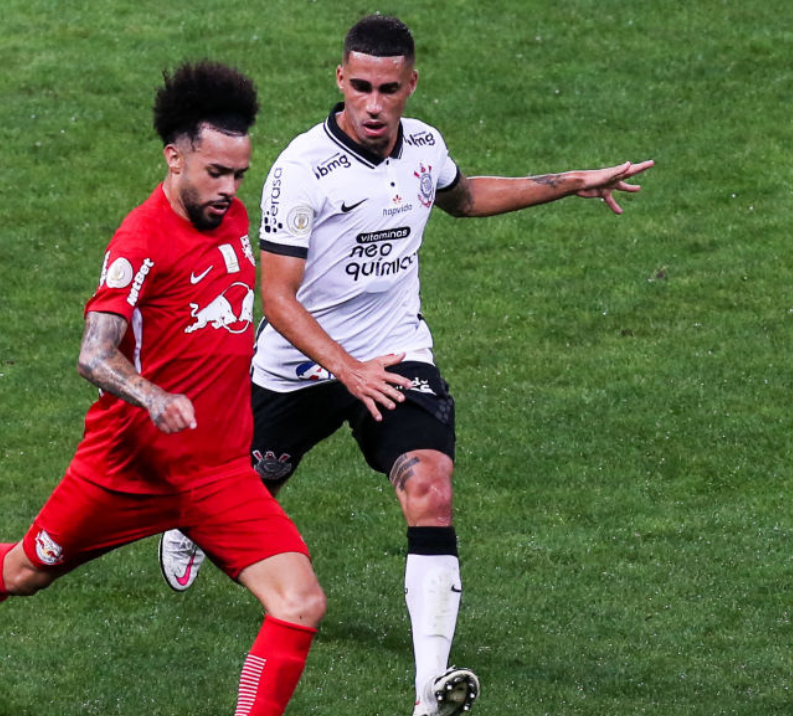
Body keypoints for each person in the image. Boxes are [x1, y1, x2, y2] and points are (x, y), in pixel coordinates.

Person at [157, 15, 654, 716]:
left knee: (430, 486)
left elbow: (462, 196)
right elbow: (276, 296)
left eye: (388, 89)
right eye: (359, 85)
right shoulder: (302, 170)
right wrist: (346, 370)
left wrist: (569, 180)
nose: (372, 102)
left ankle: (429, 690)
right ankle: (187, 527)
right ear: (339, 80)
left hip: (394, 354)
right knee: (237, 508)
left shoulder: (422, 145)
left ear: (409, 85)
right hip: (296, 369)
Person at [0, 60, 326, 716]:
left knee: (300, 602)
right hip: (125, 469)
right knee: (28, 570)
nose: (229, 189)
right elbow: (92, 355)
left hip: (218, 473)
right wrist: (154, 397)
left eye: (237, 174)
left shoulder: (227, 218)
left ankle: (191, 539)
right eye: (215, 172)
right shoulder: (140, 241)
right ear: (174, 158)